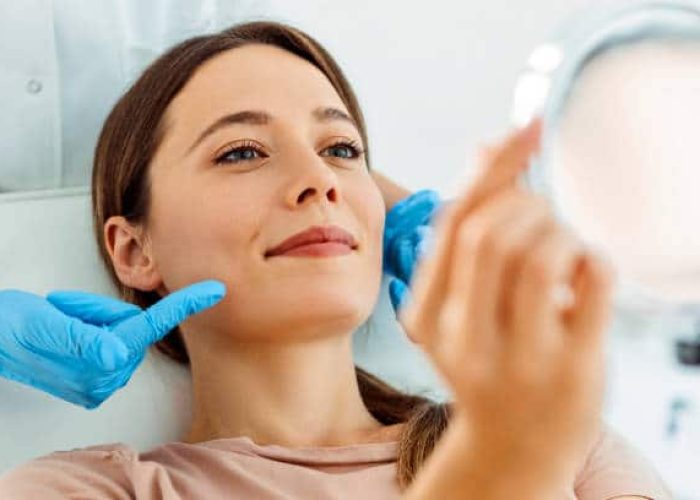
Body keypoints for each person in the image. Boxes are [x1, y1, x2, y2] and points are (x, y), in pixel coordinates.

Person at [0, 20, 671, 499]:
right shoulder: (84, 490)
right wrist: (503, 459)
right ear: (133, 249)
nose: (318, 181)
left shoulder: (568, 440)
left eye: (342, 150)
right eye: (241, 152)